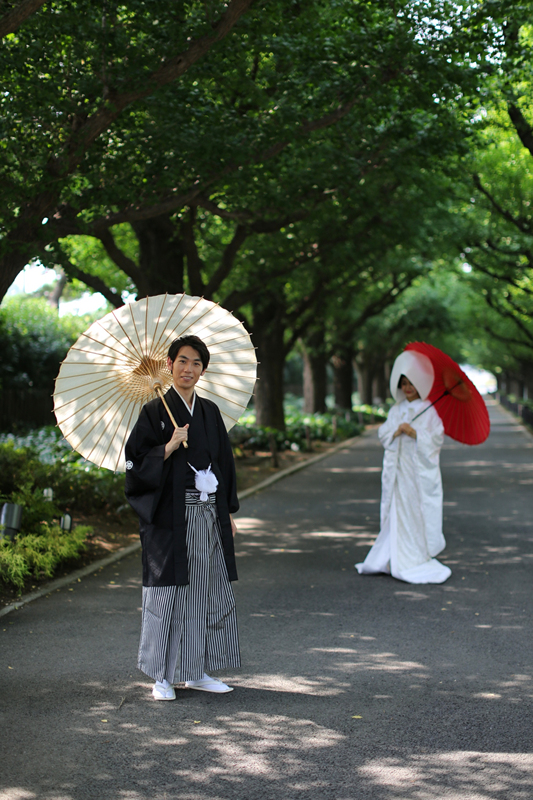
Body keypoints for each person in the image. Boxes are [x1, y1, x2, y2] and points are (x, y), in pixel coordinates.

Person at [124, 334, 241, 700]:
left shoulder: (209, 412)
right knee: (167, 593)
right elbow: (135, 464)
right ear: (169, 365)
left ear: (202, 370)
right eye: (182, 361)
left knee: (202, 590)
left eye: (196, 363)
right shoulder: (153, 412)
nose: (188, 369)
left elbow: (223, 464)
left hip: (206, 512)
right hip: (169, 517)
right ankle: (161, 676)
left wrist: (227, 512)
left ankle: (194, 670)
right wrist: (168, 446)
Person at [355, 350, 451, 584]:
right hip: (397, 470)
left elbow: (436, 438)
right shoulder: (396, 409)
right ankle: (391, 556)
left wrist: (416, 433)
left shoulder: (429, 409)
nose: (408, 388)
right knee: (396, 509)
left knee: (415, 509)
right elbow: (384, 433)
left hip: (416, 471)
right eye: (404, 383)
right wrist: (397, 430)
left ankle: (414, 556)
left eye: (412, 383)